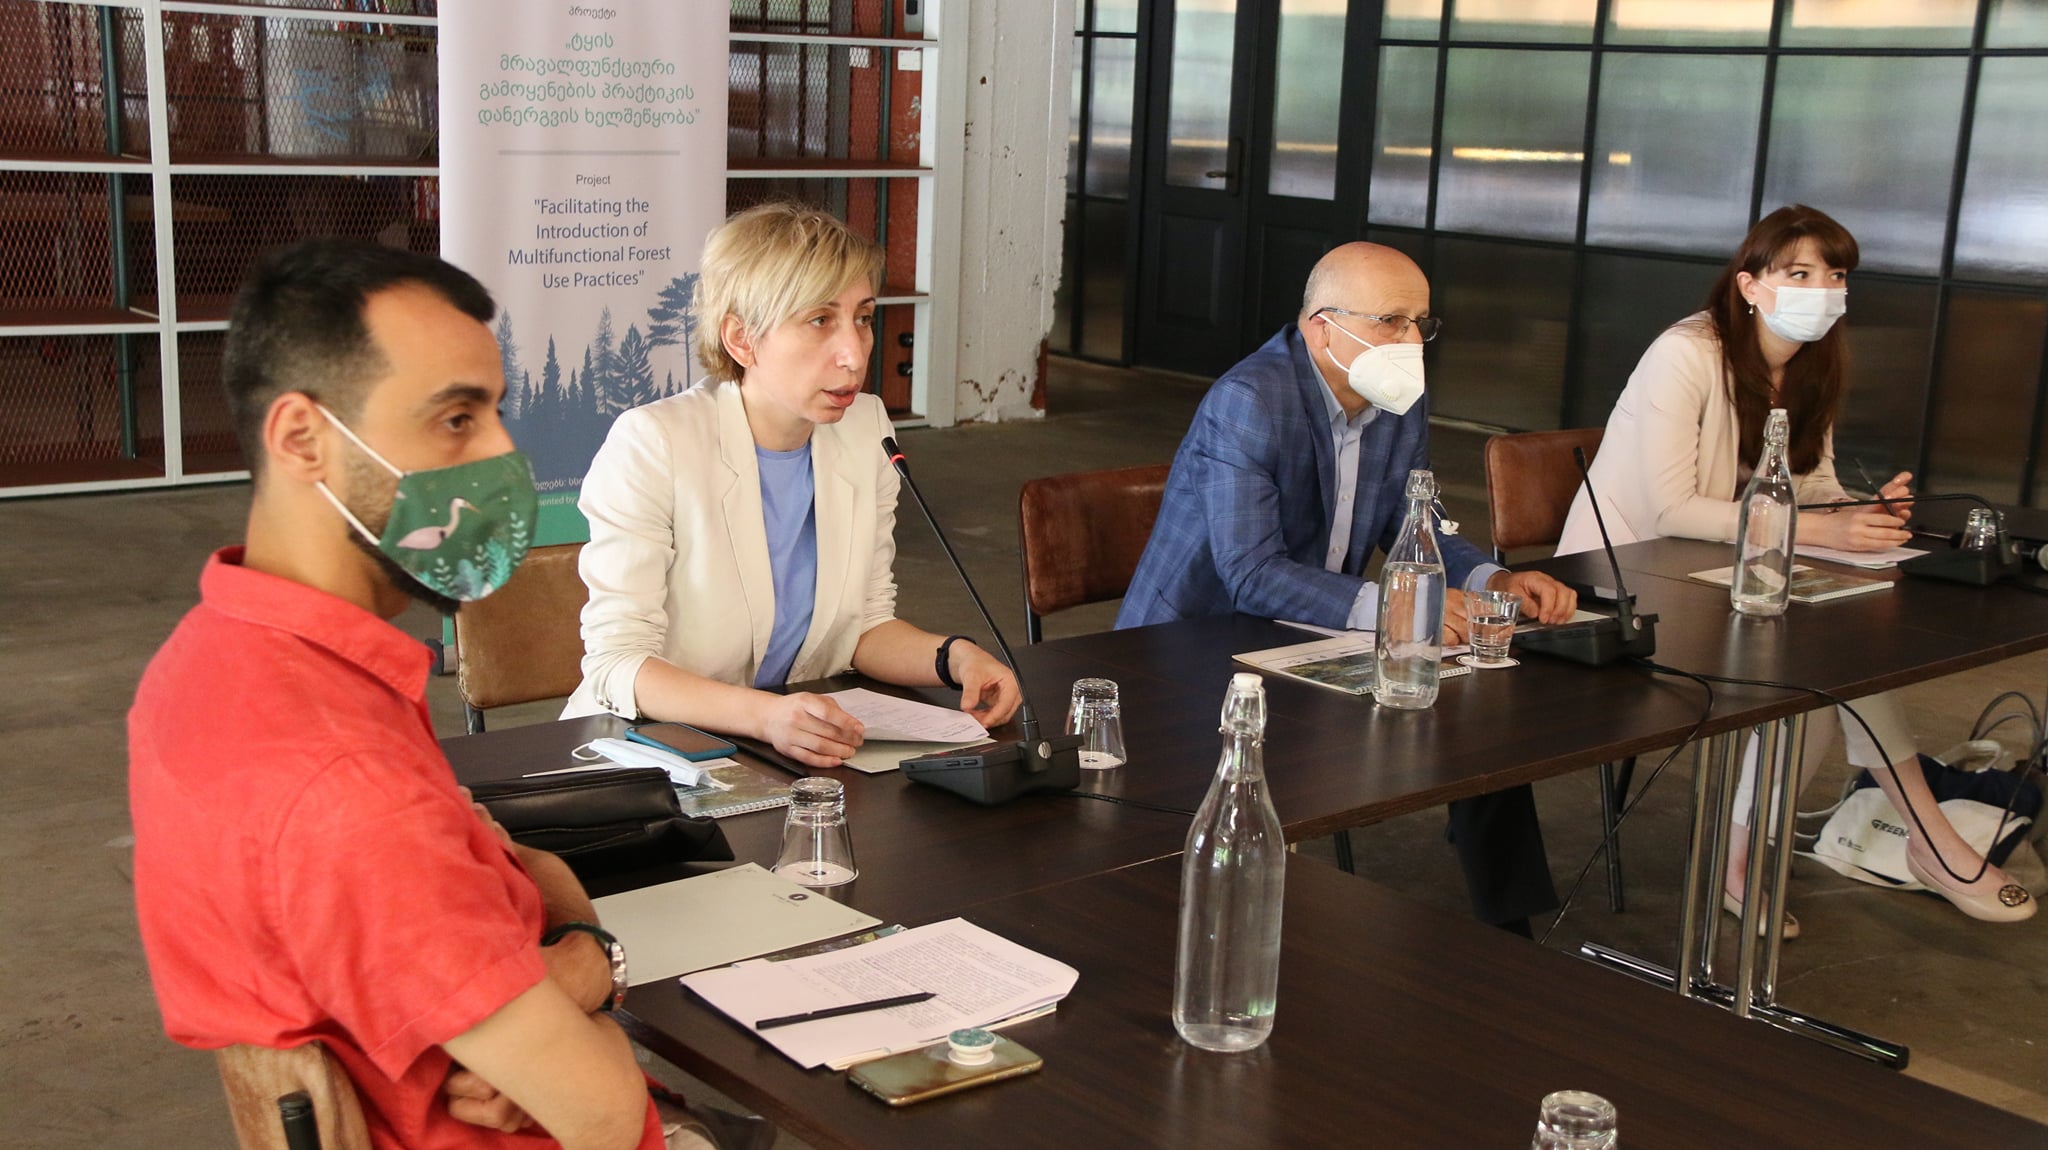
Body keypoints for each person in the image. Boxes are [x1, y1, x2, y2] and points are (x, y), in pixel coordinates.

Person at [128, 239, 757, 1150]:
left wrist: (563, 966)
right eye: (456, 419)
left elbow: (468, 901)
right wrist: (582, 942)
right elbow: (605, 1113)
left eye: (496, 413)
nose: (502, 453)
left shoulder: (212, 663)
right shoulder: (342, 775)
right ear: (302, 438)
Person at [1559, 203, 2034, 927]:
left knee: (1835, 649)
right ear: (1749, 285)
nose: (1823, 290)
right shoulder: (1685, 352)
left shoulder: (1813, 363)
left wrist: (1864, 511)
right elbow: (1670, 512)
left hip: (1729, 569)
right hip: (1626, 582)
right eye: (1800, 273)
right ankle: (1920, 840)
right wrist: (1824, 527)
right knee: (1818, 659)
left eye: (1835, 275)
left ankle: (1753, 854)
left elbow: (1810, 488)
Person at [1118, 241, 1580, 935]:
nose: (1412, 342)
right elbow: (1250, 573)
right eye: (1391, 321)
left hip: (1315, 629)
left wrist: (1495, 578)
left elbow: (1414, 525)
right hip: (1195, 648)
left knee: (1480, 720)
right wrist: (1398, 609)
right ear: (1321, 329)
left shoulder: (1397, 397)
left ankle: (1511, 942)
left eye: (1421, 323)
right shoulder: (1249, 401)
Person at [565, 203, 1020, 767]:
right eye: (820, 320)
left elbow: (863, 627)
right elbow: (619, 664)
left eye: (863, 318)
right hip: (653, 752)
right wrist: (766, 716)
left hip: (792, 747)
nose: (854, 354)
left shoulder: (866, 429)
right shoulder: (653, 443)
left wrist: (955, 658)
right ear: (742, 339)